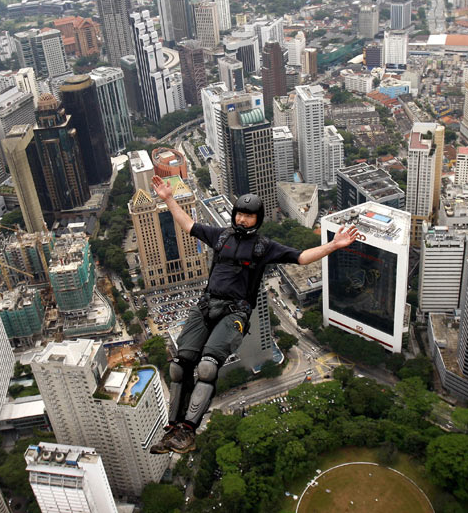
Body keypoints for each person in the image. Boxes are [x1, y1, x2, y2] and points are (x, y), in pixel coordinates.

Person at [148, 175, 358, 454]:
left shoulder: (264, 247)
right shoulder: (221, 236)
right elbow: (189, 225)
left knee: (208, 367)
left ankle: (188, 430)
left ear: (257, 220)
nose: (242, 220)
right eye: (239, 214)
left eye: (248, 216)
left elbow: (301, 257)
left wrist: (333, 245)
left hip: (234, 312)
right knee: (179, 365)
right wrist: (168, 199)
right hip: (206, 306)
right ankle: (172, 429)